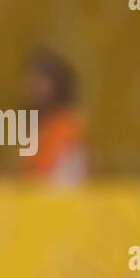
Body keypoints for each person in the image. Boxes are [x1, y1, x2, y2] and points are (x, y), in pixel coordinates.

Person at [21, 48, 85, 184]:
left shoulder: (68, 125)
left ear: (57, 85)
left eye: (40, 81)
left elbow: (67, 180)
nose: (33, 87)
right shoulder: (37, 124)